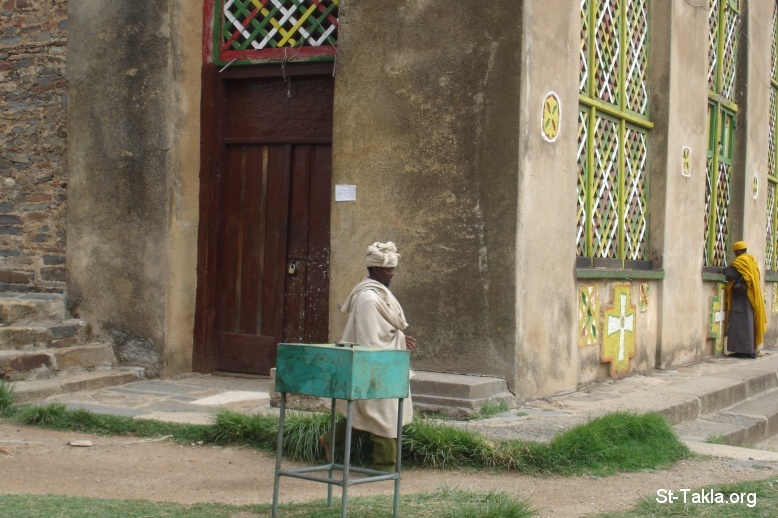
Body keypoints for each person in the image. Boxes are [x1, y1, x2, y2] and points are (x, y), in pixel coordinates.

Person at [319, 241, 416, 472]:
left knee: (367, 411)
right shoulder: (368, 298)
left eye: (392, 269)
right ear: (375, 269)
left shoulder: (379, 294)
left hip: (386, 363)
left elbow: (384, 330)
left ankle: (331, 440)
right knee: (384, 414)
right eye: (388, 269)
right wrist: (396, 343)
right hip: (375, 365)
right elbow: (370, 339)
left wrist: (400, 339)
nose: (392, 273)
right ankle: (385, 467)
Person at [723, 241, 767, 359]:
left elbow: (729, 272)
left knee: (740, 322)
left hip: (742, 297)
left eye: (735, 252)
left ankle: (744, 351)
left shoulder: (741, 261)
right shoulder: (752, 261)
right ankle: (750, 350)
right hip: (752, 297)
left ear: (738, 251)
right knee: (750, 322)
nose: (735, 254)